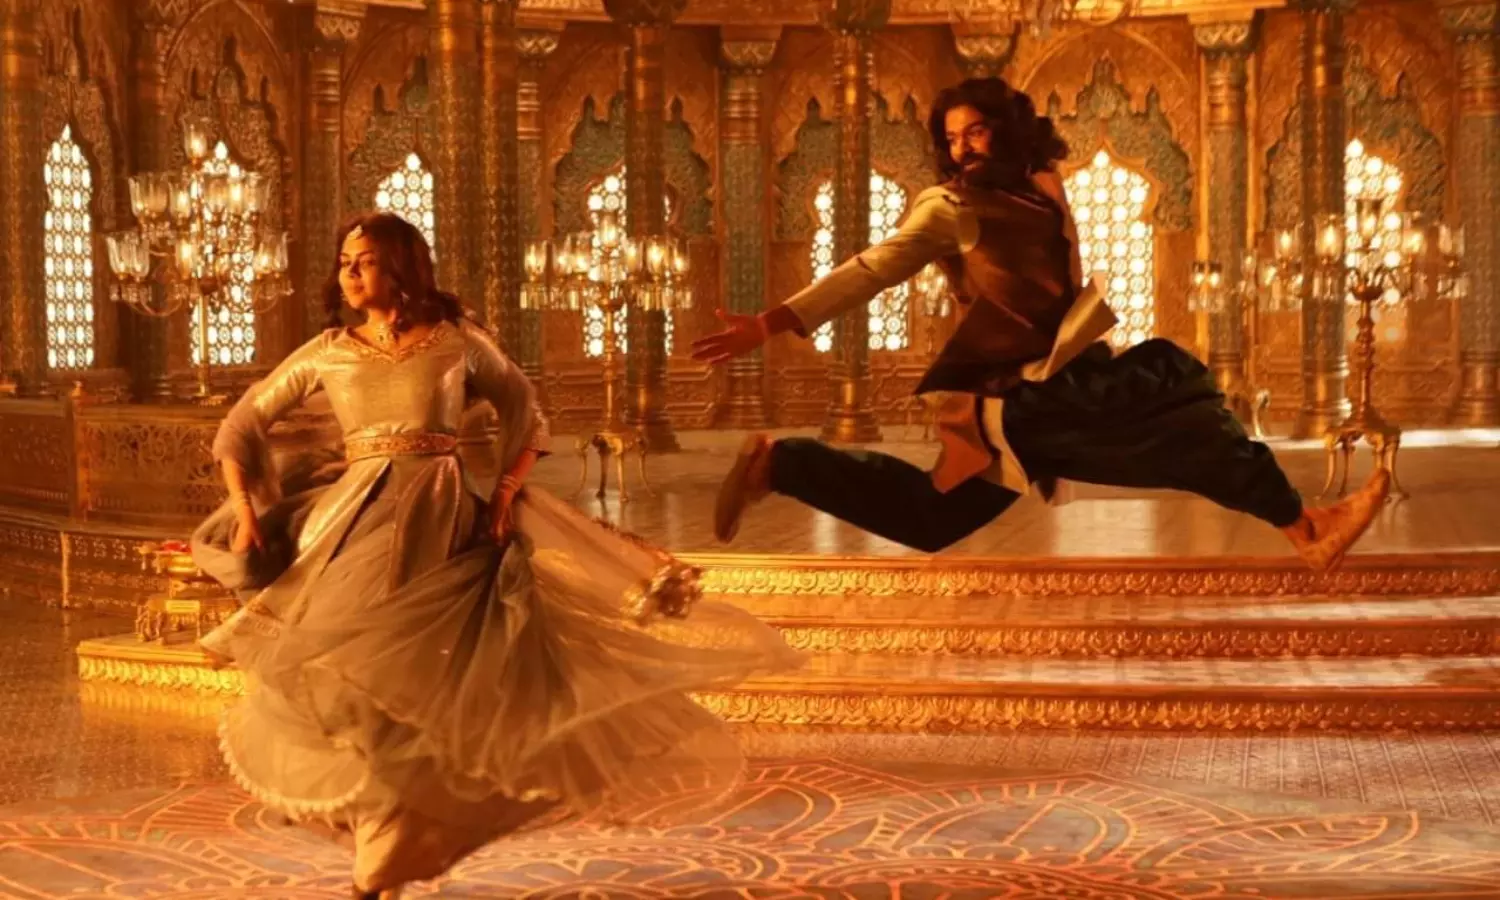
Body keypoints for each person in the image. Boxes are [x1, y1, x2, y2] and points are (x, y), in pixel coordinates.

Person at [190, 212, 799, 899]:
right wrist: (245, 510)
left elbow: (525, 412)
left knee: (435, 686)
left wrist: (507, 492)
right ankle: (376, 833)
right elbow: (241, 423)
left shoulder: (456, 343)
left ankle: (398, 845)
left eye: (365, 261)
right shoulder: (327, 350)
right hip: (351, 523)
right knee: (343, 676)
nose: (349, 274)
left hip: (444, 521)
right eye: (344, 263)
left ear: (401, 267)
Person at [692, 77, 1389, 570]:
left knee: (933, 519)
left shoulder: (1042, 186)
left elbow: (1060, 282)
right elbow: (872, 267)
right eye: (952, 138)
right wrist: (770, 323)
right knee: (1185, 416)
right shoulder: (948, 206)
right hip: (1017, 397)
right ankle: (1305, 527)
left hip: (1061, 376)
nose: (963, 148)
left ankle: (782, 464)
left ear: (1007, 127)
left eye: (975, 130)